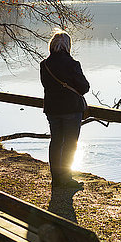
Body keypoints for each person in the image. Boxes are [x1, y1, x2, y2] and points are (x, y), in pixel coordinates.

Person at [40, 31, 90, 188]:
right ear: (68, 46)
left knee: (55, 142)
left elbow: (46, 85)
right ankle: (67, 178)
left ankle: (56, 179)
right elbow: (84, 87)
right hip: (71, 110)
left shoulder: (45, 65)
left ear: (51, 45)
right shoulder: (73, 64)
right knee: (70, 144)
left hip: (52, 109)